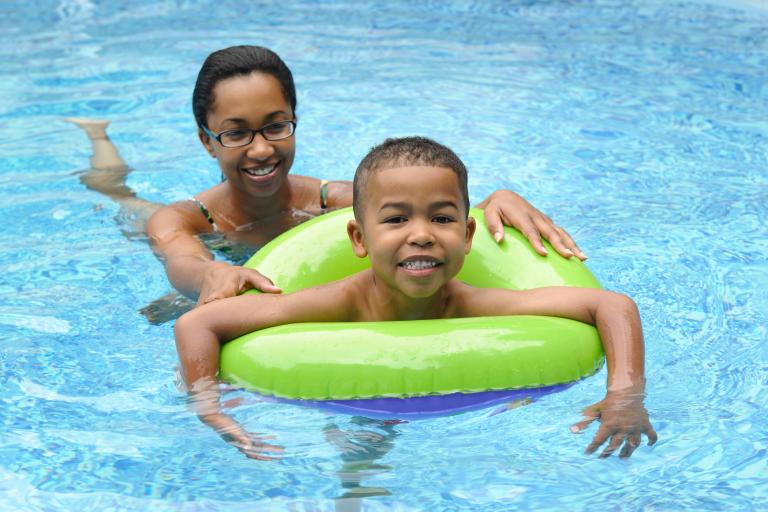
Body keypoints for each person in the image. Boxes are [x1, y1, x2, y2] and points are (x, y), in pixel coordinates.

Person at [174, 136, 657, 461]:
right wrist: (208, 404)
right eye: (397, 219)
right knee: (357, 458)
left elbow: (612, 305)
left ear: (469, 236)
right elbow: (196, 325)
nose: (421, 236)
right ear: (359, 240)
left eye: (442, 219)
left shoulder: (471, 302)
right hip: (347, 402)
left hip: (447, 400)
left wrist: (625, 396)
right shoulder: (338, 303)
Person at [67, 45, 586, 322]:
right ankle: (100, 143)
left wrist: (498, 196)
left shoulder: (325, 201)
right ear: (207, 142)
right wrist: (206, 278)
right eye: (236, 134)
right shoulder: (183, 220)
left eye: (276, 125)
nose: (262, 149)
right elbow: (183, 261)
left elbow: (419, 198)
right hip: (214, 237)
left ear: (294, 120)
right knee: (125, 200)